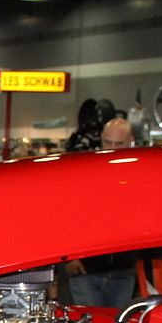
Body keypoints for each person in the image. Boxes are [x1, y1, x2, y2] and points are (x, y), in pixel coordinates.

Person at [65, 118, 141, 307]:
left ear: (130, 140)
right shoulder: (85, 174)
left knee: (117, 322)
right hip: (86, 269)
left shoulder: (139, 176)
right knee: (89, 321)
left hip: (123, 269)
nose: (112, 148)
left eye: (119, 144)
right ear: (101, 139)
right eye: (108, 142)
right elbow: (69, 215)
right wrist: (69, 256)